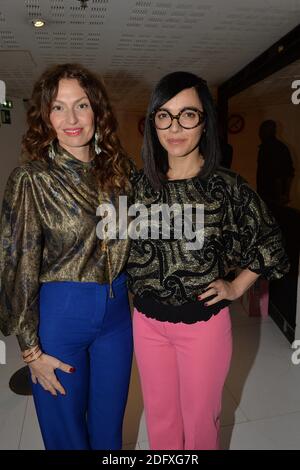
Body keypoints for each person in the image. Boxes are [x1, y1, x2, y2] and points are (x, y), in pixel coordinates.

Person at [126, 71, 290, 450]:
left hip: (202, 326)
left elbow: (271, 242)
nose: (175, 126)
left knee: (201, 422)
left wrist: (236, 285)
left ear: (205, 122)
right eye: (164, 115)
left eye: (188, 114)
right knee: (161, 417)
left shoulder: (226, 187)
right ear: (153, 122)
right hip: (147, 324)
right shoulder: (138, 186)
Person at [0, 63, 134, 450]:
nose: (71, 119)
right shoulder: (32, 178)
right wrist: (30, 350)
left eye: (82, 105)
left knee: (110, 429)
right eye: (58, 107)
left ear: (98, 112)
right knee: (66, 435)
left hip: (117, 316)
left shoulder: (121, 170)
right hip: (62, 314)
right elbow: (16, 262)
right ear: (45, 116)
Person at [256, 119, 295, 207]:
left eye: (262, 131)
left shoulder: (267, 149)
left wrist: (280, 196)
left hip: (270, 197)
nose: (260, 134)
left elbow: (278, 174)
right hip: (273, 197)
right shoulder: (281, 147)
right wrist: (285, 195)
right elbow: (289, 173)